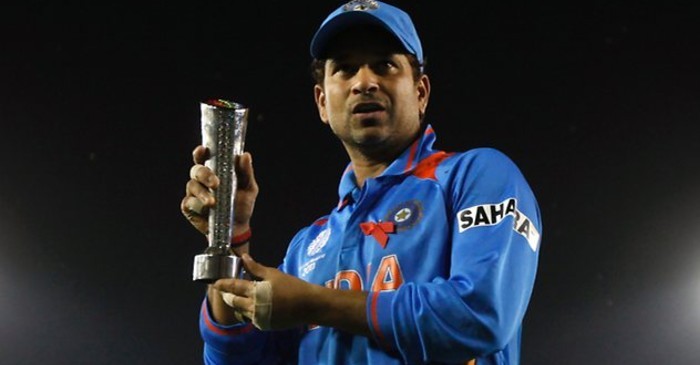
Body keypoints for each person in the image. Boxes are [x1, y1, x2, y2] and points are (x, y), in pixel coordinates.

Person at [181, 1, 542, 364]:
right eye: (345, 69)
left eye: (385, 65)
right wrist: (229, 237)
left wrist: (313, 302)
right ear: (322, 102)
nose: (364, 82)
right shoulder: (307, 247)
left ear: (421, 92)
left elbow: (478, 317)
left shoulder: (474, 177)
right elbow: (238, 360)